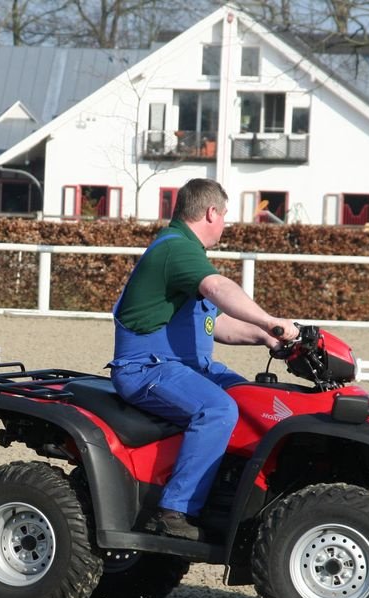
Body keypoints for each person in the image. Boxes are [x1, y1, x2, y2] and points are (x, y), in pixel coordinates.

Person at [108, 178, 297, 539]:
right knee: (217, 410)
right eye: (224, 215)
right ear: (211, 212)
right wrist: (270, 321)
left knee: (252, 399)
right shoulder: (176, 248)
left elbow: (216, 325)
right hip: (147, 367)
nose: (225, 224)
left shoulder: (186, 254)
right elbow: (218, 288)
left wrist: (264, 336)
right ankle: (174, 510)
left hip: (187, 367)